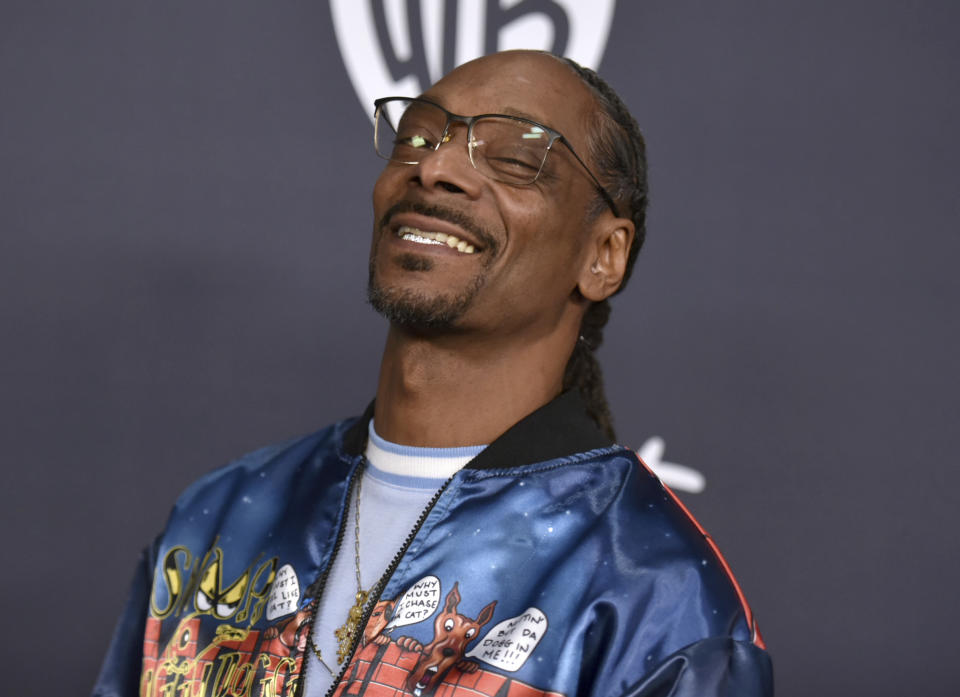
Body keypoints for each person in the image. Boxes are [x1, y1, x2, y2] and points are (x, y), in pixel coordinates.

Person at [93, 50, 772, 697]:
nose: (437, 166)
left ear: (603, 255)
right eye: (417, 138)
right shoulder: (218, 520)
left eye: (513, 156)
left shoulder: (658, 592)